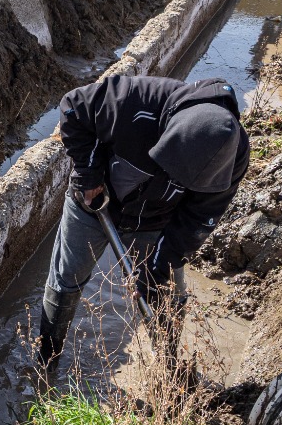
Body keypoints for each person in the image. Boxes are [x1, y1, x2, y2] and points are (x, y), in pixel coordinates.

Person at [38, 74, 249, 366]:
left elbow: (196, 220)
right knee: (67, 279)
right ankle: (47, 359)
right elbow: (73, 109)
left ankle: (167, 367)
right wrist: (89, 176)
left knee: (160, 292)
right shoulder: (134, 101)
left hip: (155, 220)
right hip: (94, 202)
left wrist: (158, 267)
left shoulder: (233, 157)